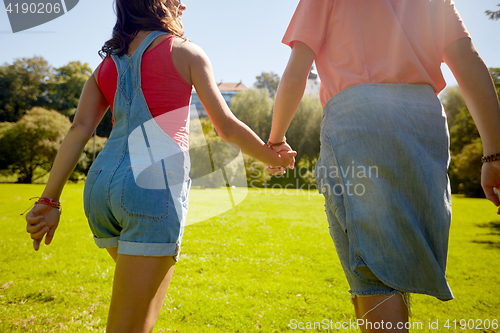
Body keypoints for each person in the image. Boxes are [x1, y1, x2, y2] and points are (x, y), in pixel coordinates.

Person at [24, 0, 295, 332]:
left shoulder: (107, 65)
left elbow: (79, 129)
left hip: (100, 190)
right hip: (149, 189)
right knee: (130, 325)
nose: (183, 5)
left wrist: (48, 200)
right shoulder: (186, 52)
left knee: (138, 314)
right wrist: (273, 156)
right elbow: (225, 125)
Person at [267, 0, 500, 331]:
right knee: (389, 260)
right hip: (426, 122)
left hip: (360, 119)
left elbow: (296, 72)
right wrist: (494, 153)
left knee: (375, 272)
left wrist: (276, 140)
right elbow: (468, 60)